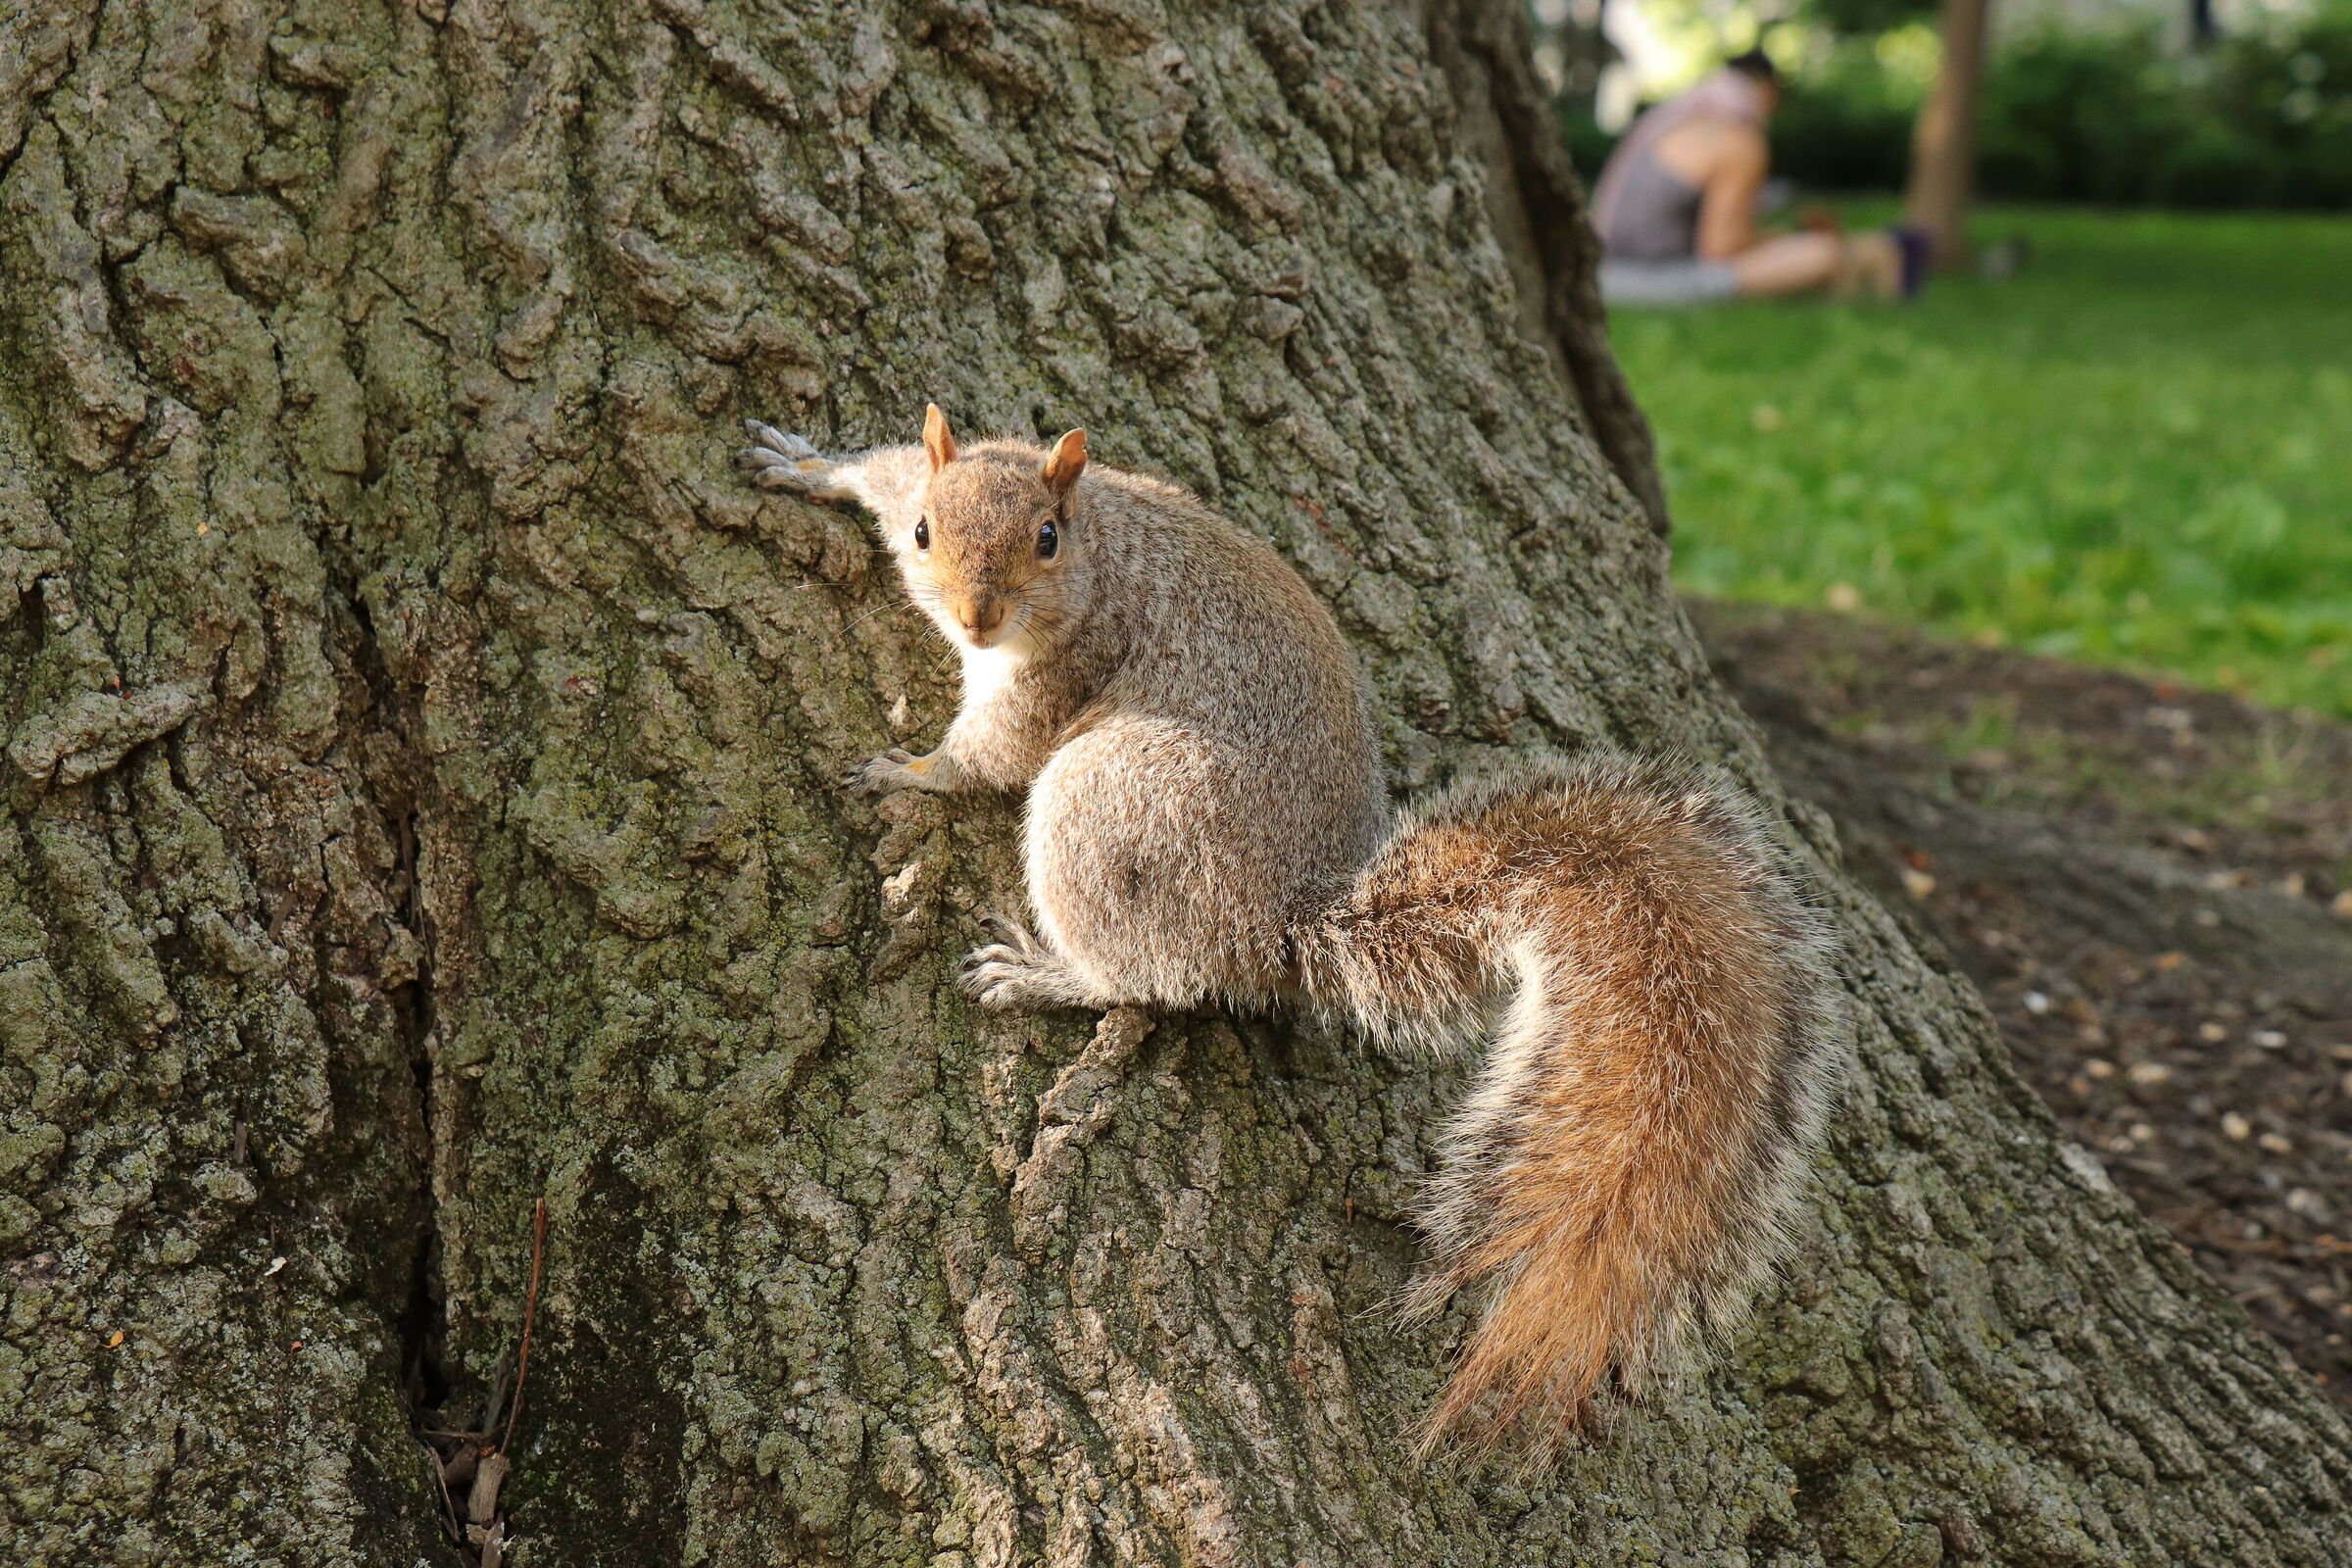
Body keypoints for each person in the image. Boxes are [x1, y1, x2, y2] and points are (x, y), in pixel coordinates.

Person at [1591, 50, 1926, 306]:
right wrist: (1776, 238)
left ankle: (1880, 254)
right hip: (1645, 279)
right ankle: (1883, 256)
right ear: (1767, 91)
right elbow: (1720, 250)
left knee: (1806, 246)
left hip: (1603, 266)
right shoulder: (1738, 140)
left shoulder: (1679, 117)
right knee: (1822, 252)